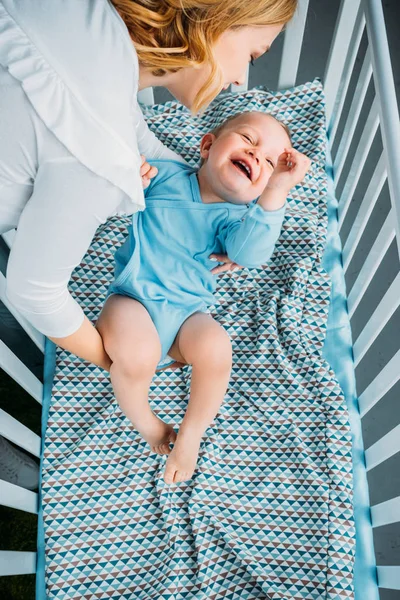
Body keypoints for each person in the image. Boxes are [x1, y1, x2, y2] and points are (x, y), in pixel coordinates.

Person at [0, 0, 297, 371]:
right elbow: (34, 292)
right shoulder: (99, 159)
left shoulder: (87, 19)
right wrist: (121, 363)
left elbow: (134, 130)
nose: (239, 77)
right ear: (216, 19)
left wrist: (204, 195)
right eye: (251, 56)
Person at [95, 111, 311, 485]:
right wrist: (131, 175)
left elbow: (250, 254)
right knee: (137, 355)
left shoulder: (237, 221)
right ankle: (149, 424)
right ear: (208, 146)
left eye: (270, 163)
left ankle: (192, 434)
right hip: (132, 299)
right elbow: (116, 177)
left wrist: (277, 190)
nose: (256, 156)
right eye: (248, 140)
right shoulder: (164, 175)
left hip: (185, 318)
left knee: (217, 346)